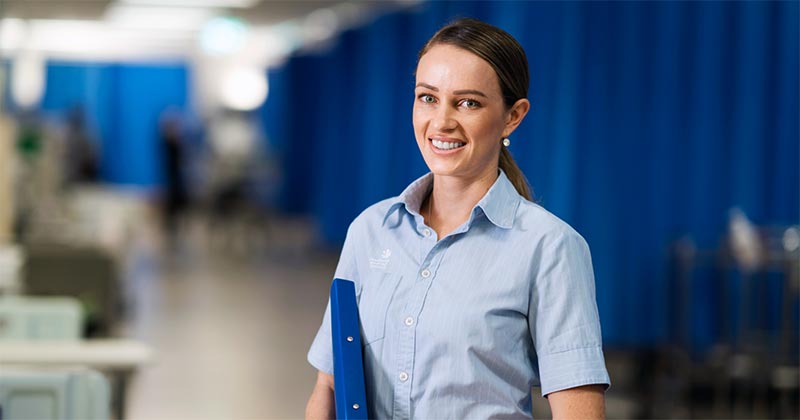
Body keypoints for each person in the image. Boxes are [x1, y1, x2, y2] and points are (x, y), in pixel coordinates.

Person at [306, 18, 610, 419]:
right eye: (427, 98)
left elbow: (579, 412)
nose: (442, 121)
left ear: (513, 116)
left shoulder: (549, 247)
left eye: (468, 102)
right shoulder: (371, 230)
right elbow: (329, 386)